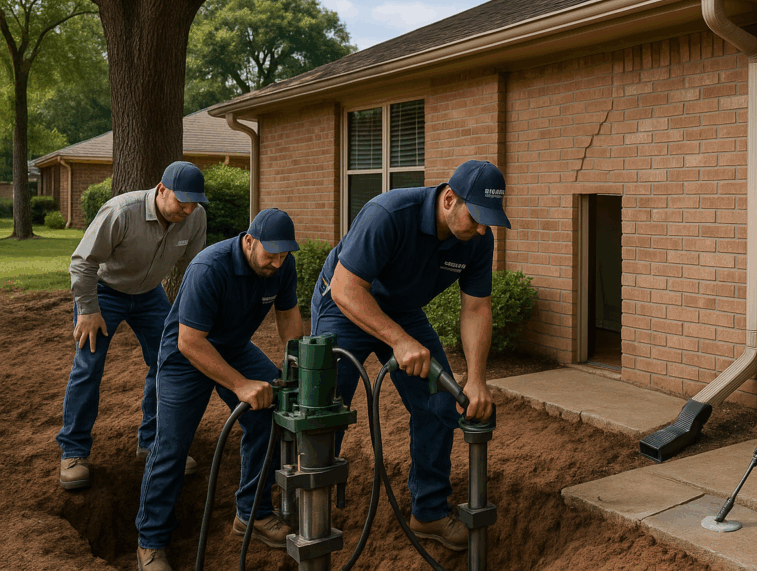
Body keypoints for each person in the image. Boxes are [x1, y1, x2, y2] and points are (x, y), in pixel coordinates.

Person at [311, 159, 510, 551]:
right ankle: (305, 509)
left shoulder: (478, 239)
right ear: (449, 199)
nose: (482, 229)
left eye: (489, 221)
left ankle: (429, 512)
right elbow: (346, 288)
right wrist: (399, 342)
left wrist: (476, 379)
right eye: (476, 217)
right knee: (325, 408)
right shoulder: (389, 213)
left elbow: (476, 309)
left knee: (441, 400)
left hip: (402, 310)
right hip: (347, 302)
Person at [135, 208, 302, 571]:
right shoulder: (209, 267)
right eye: (270, 255)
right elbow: (190, 342)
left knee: (272, 415)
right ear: (249, 241)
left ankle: (252, 514)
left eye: (283, 255)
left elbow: (288, 317)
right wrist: (240, 384)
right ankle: (151, 542)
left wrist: (298, 371)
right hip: (186, 353)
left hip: (235, 347)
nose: (277, 263)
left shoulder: (282, 266)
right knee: (172, 445)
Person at [59, 161, 208, 490]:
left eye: (194, 203)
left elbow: (193, 271)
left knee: (168, 361)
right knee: (89, 365)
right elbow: (83, 261)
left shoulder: (195, 217)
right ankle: (73, 451)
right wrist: (87, 310)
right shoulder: (121, 212)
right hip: (104, 292)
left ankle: (153, 443)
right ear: (162, 189)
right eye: (182, 201)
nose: (188, 209)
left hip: (149, 295)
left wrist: (190, 315)